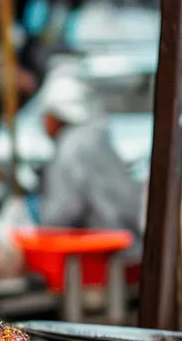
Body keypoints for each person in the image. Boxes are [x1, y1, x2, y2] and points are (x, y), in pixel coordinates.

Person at [37, 75, 143, 236]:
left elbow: (62, 213)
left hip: (98, 243)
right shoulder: (95, 138)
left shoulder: (70, 148)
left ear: (56, 116)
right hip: (127, 236)